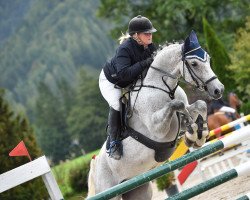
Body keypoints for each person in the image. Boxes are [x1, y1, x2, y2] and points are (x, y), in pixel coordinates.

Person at [99, 15, 157, 160]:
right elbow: (124, 74)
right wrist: (145, 63)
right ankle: (114, 142)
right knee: (117, 104)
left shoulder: (150, 47)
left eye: (150, 32)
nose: (150, 35)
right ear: (136, 35)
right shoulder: (125, 49)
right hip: (112, 81)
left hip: (131, 79)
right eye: (146, 33)